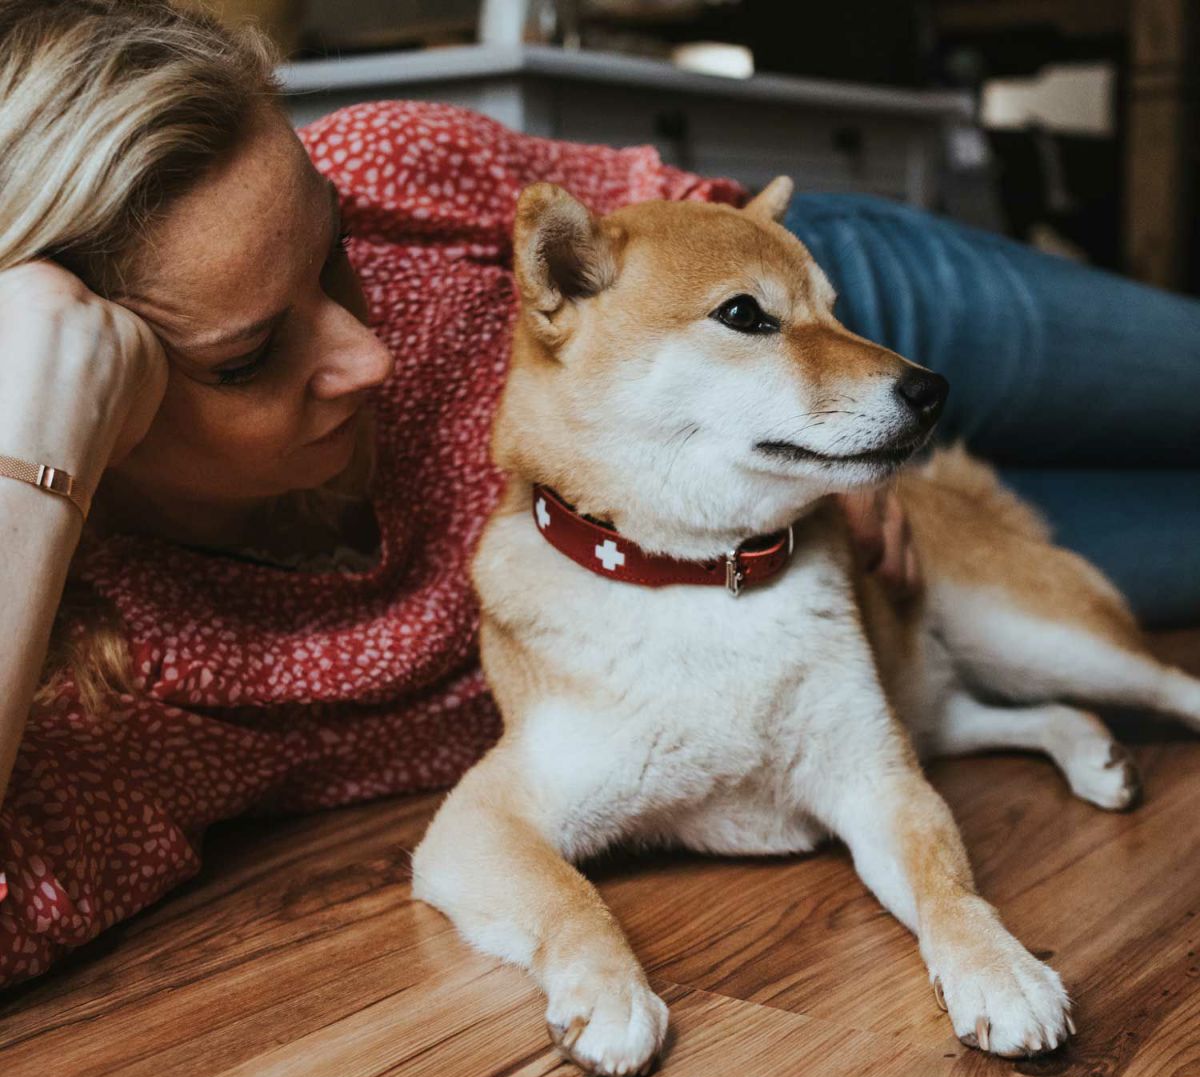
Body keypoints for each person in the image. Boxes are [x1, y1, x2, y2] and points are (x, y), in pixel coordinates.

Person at [0, 1, 1195, 992]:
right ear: (87, 396)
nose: (368, 352)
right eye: (251, 356)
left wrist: (827, 406)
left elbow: (667, 212)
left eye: (334, 252)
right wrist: (29, 476)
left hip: (827, 323)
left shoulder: (384, 159)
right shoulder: (102, 678)